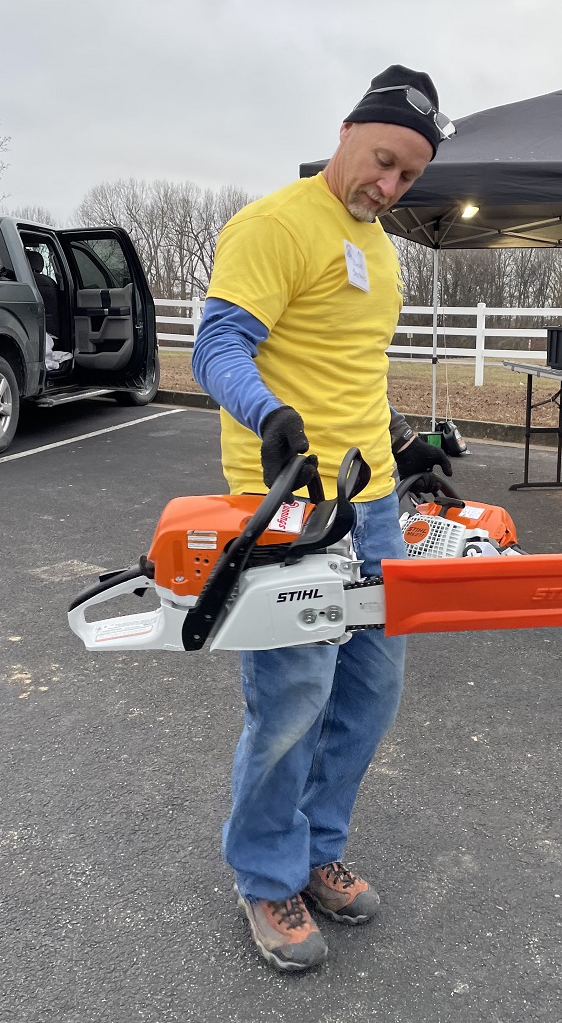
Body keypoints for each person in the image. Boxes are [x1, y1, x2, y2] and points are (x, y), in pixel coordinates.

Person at [192, 64, 456, 973]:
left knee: (369, 693)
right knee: (292, 699)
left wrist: (401, 446)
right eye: (383, 161)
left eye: (410, 177)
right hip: (287, 510)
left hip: (372, 503)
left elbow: (352, 369)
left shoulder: (379, 248)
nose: (389, 186)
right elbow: (217, 346)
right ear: (347, 132)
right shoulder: (273, 224)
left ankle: (315, 850)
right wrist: (269, 418)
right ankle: (266, 875)